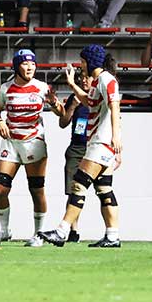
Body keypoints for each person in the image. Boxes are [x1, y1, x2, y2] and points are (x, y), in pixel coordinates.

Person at [39, 44, 123, 248]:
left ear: (91, 61)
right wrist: (71, 85)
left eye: (83, 61)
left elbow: (114, 105)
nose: (81, 66)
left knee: (79, 184)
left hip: (101, 142)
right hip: (101, 142)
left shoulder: (106, 79)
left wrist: (116, 137)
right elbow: (89, 102)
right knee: (104, 190)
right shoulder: (98, 82)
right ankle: (112, 236)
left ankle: (62, 231)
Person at [0, 49, 64, 247]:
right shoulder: (5, 89)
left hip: (34, 142)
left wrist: (55, 103)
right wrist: (0, 122)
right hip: (11, 142)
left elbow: (60, 112)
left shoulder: (42, 88)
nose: (30, 67)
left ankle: (39, 234)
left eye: (33, 63)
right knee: (0, 189)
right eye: (25, 63)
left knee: (36, 190)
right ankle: (4, 231)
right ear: (16, 66)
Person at [58, 69, 91, 242]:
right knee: (73, 191)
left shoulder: (98, 96)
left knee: (103, 190)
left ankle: (111, 231)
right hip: (76, 148)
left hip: (94, 148)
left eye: (87, 78)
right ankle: (73, 230)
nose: (84, 81)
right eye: (82, 78)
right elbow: (62, 123)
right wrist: (72, 106)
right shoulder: (74, 98)